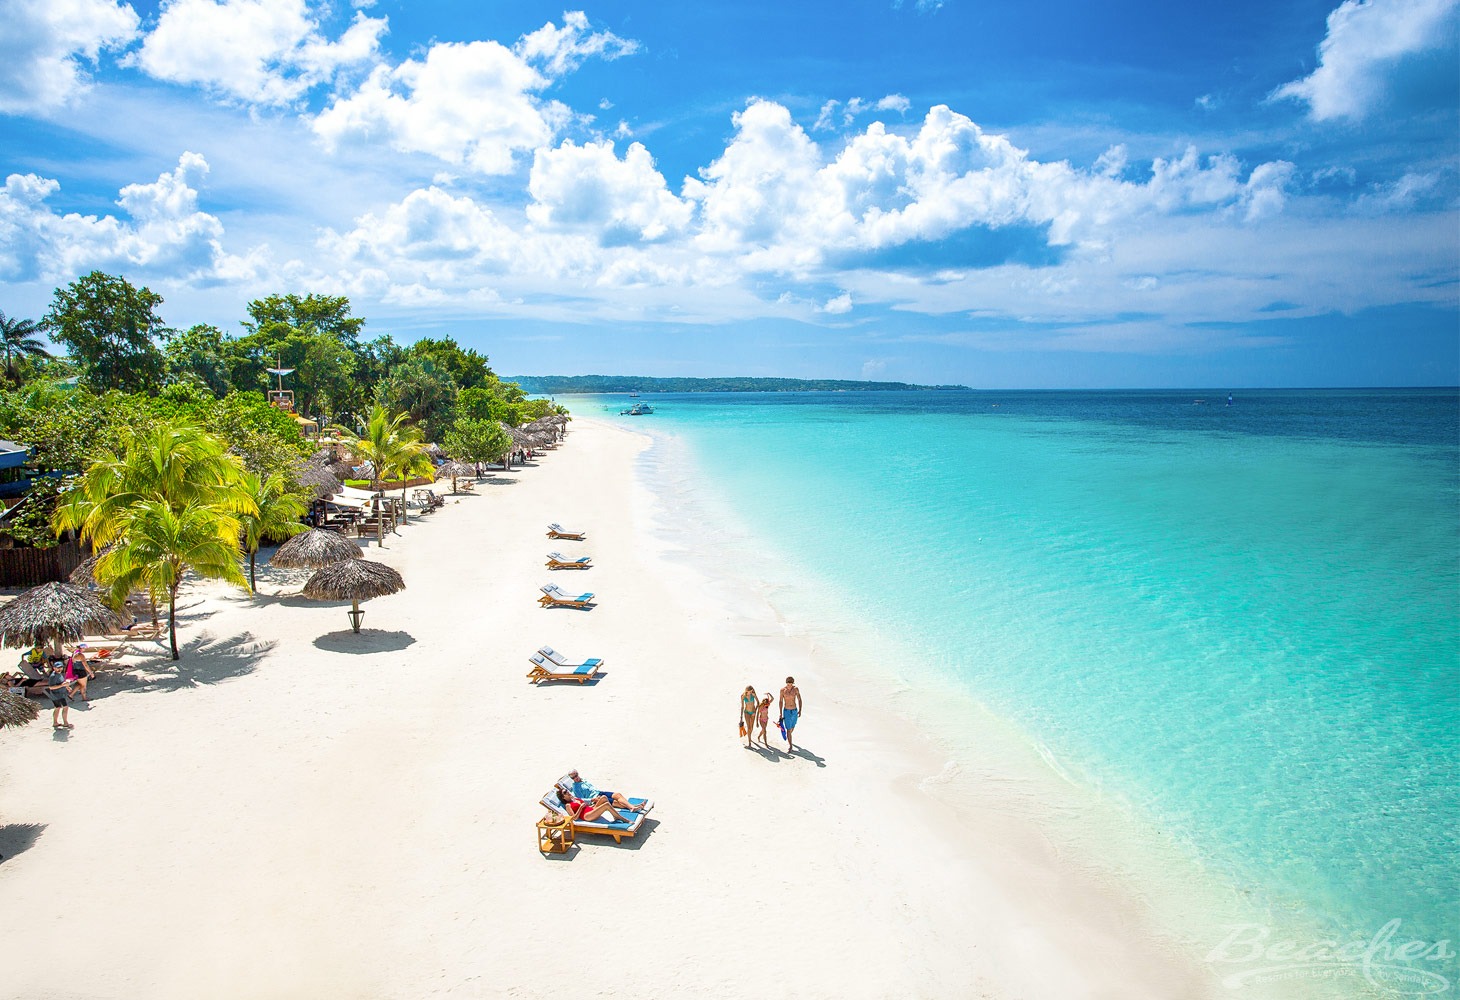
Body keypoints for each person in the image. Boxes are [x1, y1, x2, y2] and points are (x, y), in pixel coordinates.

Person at [564, 770, 635, 811]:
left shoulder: (583, 780)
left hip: (599, 792)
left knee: (617, 794)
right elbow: (580, 799)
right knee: (617, 803)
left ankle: (632, 807)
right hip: (596, 799)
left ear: (577, 774)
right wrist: (592, 799)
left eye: (576, 776)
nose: (575, 778)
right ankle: (632, 807)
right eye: (573, 778)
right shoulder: (576, 788)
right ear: (571, 778)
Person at [554, 787, 623, 824]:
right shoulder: (568, 805)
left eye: (567, 790)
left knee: (604, 797)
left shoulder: (574, 798)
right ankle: (621, 818)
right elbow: (574, 818)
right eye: (565, 792)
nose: (568, 792)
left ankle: (615, 816)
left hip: (591, 809)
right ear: (563, 797)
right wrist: (580, 807)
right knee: (606, 805)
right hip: (587, 816)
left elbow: (585, 802)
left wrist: (592, 800)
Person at [45, 658, 73, 729]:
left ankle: (55, 722)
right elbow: (51, 687)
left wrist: (67, 687)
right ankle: (66, 723)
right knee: (65, 707)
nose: (59, 669)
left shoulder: (59, 674)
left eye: (61, 667)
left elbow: (62, 683)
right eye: (58, 668)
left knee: (57, 708)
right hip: (57, 695)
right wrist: (62, 686)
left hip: (58, 694)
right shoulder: (53, 676)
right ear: (54, 668)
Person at [779, 676, 803, 751]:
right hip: (787, 711)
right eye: (788, 684)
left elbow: (799, 699)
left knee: (793, 726)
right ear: (786, 683)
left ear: (793, 683)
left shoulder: (796, 689)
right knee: (788, 729)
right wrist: (780, 713)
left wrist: (800, 710)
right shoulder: (782, 690)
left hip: (794, 711)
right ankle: (790, 745)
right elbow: (780, 701)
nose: (789, 685)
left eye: (791, 684)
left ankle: (789, 736)